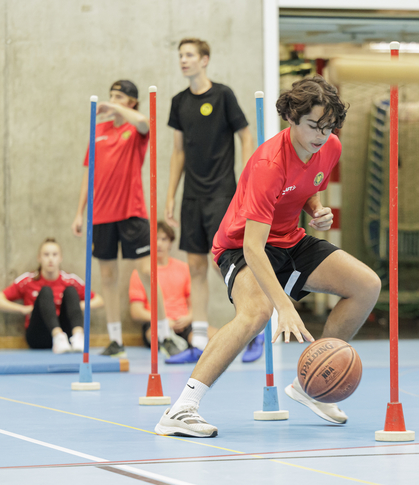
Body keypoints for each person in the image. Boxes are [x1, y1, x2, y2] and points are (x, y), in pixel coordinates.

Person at [155, 76, 382, 438]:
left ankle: (312, 385)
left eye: (327, 126)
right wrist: (285, 306)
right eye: (312, 126)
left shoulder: (331, 147)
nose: (320, 135)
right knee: (256, 313)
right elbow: (252, 247)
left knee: (367, 285)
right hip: (239, 245)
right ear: (291, 119)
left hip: (290, 238)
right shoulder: (268, 165)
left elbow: (307, 187)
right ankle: (182, 408)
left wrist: (317, 210)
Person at [164, 38, 256, 364]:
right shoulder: (178, 102)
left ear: (204, 60)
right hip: (192, 195)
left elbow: (246, 135)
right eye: (180, 56)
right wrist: (170, 196)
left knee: (223, 262)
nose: (184, 60)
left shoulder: (223, 95)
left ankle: (255, 321)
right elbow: (177, 153)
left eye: (189, 55)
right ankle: (199, 339)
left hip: (222, 193)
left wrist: (248, 180)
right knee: (196, 266)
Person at [72, 80, 179, 358]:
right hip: (101, 215)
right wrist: (80, 212)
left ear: (132, 101)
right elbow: (88, 174)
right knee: (107, 277)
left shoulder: (134, 129)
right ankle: (115, 340)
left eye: (119, 96)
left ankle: (165, 334)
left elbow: (146, 124)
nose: (111, 100)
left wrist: (117, 108)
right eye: (110, 96)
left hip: (131, 212)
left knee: (147, 271)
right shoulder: (97, 132)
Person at [0, 238, 103, 353]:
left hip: (67, 336)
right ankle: (57, 335)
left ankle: (78, 337)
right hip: (39, 336)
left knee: (70, 291)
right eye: (46, 255)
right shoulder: (28, 280)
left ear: (60, 258)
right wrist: (22, 309)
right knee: (45, 291)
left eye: (54, 255)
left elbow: (99, 300)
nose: (50, 259)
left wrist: (78, 306)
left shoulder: (70, 280)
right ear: (39, 258)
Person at [128, 221, 217, 361]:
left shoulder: (183, 268)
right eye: (155, 239)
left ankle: (191, 347)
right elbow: (136, 311)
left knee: (215, 337)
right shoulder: (142, 273)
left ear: (170, 243)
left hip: (184, 322)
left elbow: (195, 303)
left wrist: (188, 317)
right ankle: (170, 344)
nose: (159, 244)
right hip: (156, 324)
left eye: (164, 239)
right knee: (153, 334)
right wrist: (163, 320)